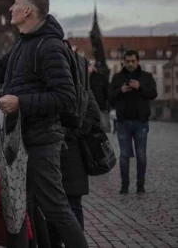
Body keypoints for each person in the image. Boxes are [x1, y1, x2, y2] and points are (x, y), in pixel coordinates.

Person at [0, 0, 88, 248]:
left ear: (27, 11)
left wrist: (19, 102)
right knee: (16, 209)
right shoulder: (24, 43)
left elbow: (65, 96)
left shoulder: (49, 47)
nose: (9, 8)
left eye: (15, 4)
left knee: (55, 208)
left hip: (41, 141)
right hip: (19, 140)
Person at [46, 41, 103, 247]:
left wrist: (67, 132)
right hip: (50, 151)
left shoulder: (80, 85)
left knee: (72, 204)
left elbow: (94, 119)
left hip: (72, 151)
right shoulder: (48, 80)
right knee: (50, 206)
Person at [108, 49, 157, 195]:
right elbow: (110, 97)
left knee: (141, 154)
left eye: (133, 61)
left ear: (138, 61)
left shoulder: (146, 76)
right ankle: (124, 186)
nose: (130, 64)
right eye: (128, 61)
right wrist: (121, 90)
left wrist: (139, 87)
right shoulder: (117, 77)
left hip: (141, 122)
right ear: (124, 62)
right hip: (123, 122)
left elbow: (153, 94)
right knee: (124, 155)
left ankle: (140, 185)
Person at [87, 60, 111, 132]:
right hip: (86, 110)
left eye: (89, 65)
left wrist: (108, 107)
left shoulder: (101, 78)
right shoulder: (80, 78)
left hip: (100, 109)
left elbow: (108, 93)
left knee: (104, 130)